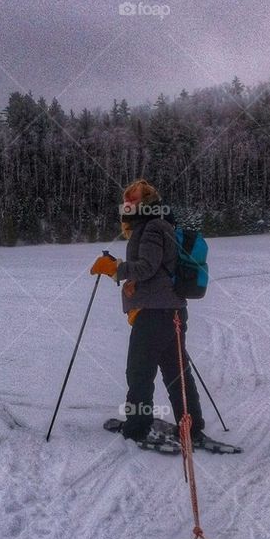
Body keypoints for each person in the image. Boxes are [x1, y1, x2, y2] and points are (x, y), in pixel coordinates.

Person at [90, 179, 205, 444]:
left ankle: (138, 426)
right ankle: (192, 426)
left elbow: (147, 268)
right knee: (176, 372)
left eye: (135, 198)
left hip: (156, 314)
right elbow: (154, 271)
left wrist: (115, 268)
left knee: (139, 371)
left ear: (149, 200)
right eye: (127, 198)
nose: (129, 202)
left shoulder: (152, 227)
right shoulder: (157, 224)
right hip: (170, 311)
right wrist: (132, 283)